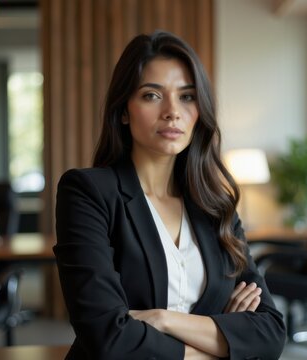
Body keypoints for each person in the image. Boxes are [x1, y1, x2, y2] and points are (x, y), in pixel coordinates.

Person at [54, 30, 286, 359]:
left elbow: (271, 333)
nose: (172, 111)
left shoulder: (214, 206)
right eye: (152, 95)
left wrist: (163, 320)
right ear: (124, 110)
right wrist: (218, 340)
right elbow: (108, 336)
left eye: (187, 96)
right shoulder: (88, 192)